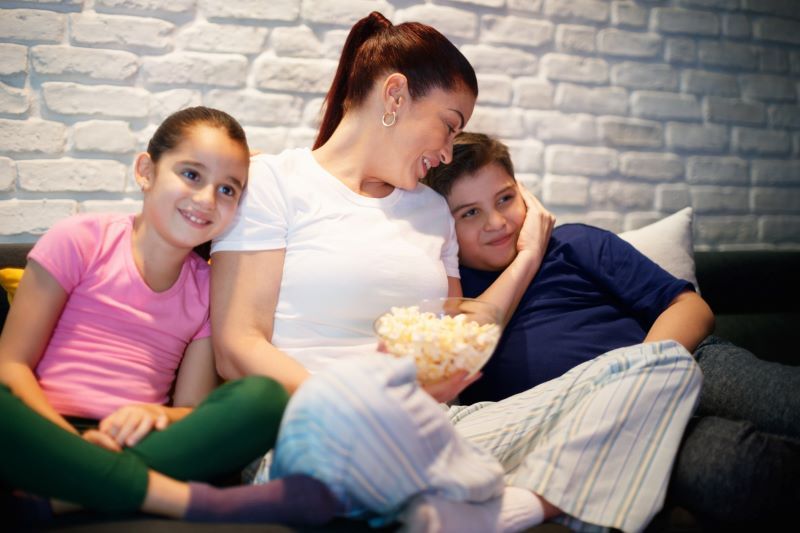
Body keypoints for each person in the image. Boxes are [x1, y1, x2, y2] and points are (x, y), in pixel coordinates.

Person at [212, 11, 702, 532]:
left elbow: (453, 341)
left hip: (433, 431)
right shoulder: (273, 182)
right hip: (318, 430)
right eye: (449, 125)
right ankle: (477, 493)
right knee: (377, 455)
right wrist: (355, 405)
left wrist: (523, 262)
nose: (448, 152)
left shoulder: (431, 211)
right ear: (395, 95)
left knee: (665, 366)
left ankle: (508, 509)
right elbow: (237, 346)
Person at [422, 131, 800, 527]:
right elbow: (461, 348)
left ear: (526, 197)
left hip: (683, 357)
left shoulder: (575, 243)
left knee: (786, 402)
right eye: (470, 213)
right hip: (604, 422)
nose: (497, 222)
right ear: (444, 229)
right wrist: (527, 257)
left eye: (505, 198)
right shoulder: (454, 297)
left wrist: (637, 376)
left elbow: (690, 307)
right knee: (736, 468)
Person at [0, 106, 337, 527]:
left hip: (139, 442)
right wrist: (74, 446)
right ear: (146, 171)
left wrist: (158, 415)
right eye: (191, 174)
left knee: (265, 398)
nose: (207, 199)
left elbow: (191, 407)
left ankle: (63, 496)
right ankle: (181, 500)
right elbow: (10, 365)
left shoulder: (207, 289)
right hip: (41, 432)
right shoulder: (80, 239)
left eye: (227, 189)